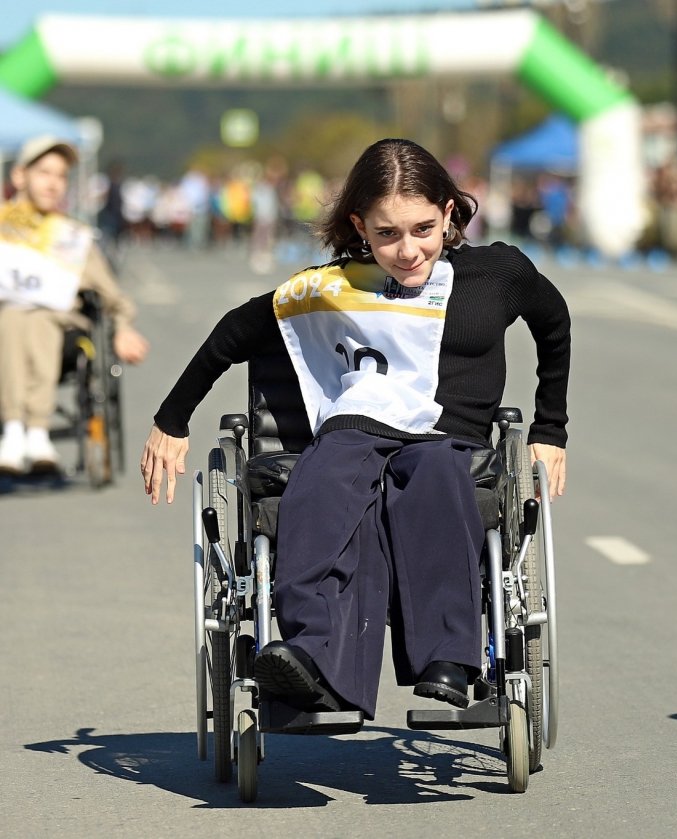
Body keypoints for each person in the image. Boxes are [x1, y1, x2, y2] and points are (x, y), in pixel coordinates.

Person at [140, 139, 571, 720]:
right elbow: (234, 331)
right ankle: (310, 658)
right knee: (326, 484)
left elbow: (554, 324)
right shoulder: (331, 286)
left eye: (423, 229)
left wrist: (552, 427)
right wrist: (171, 419)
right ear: (359, 226)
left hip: (447, 435)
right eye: (387, 234)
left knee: (435, 474)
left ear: (449, 213)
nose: (409, 251)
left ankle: (449, 658)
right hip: (356, 427)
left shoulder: (497, 274)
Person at [0, 136, 150, 475]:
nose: (54, 183)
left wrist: (123, 327)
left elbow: (115, 297)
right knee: (12, 315)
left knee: (34, 316)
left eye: (61, 175)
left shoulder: (71, 237)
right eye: (45, 173)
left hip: (60, 332)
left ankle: (28, 431)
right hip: (4, 326)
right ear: (20, 176)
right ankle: (20, 431)